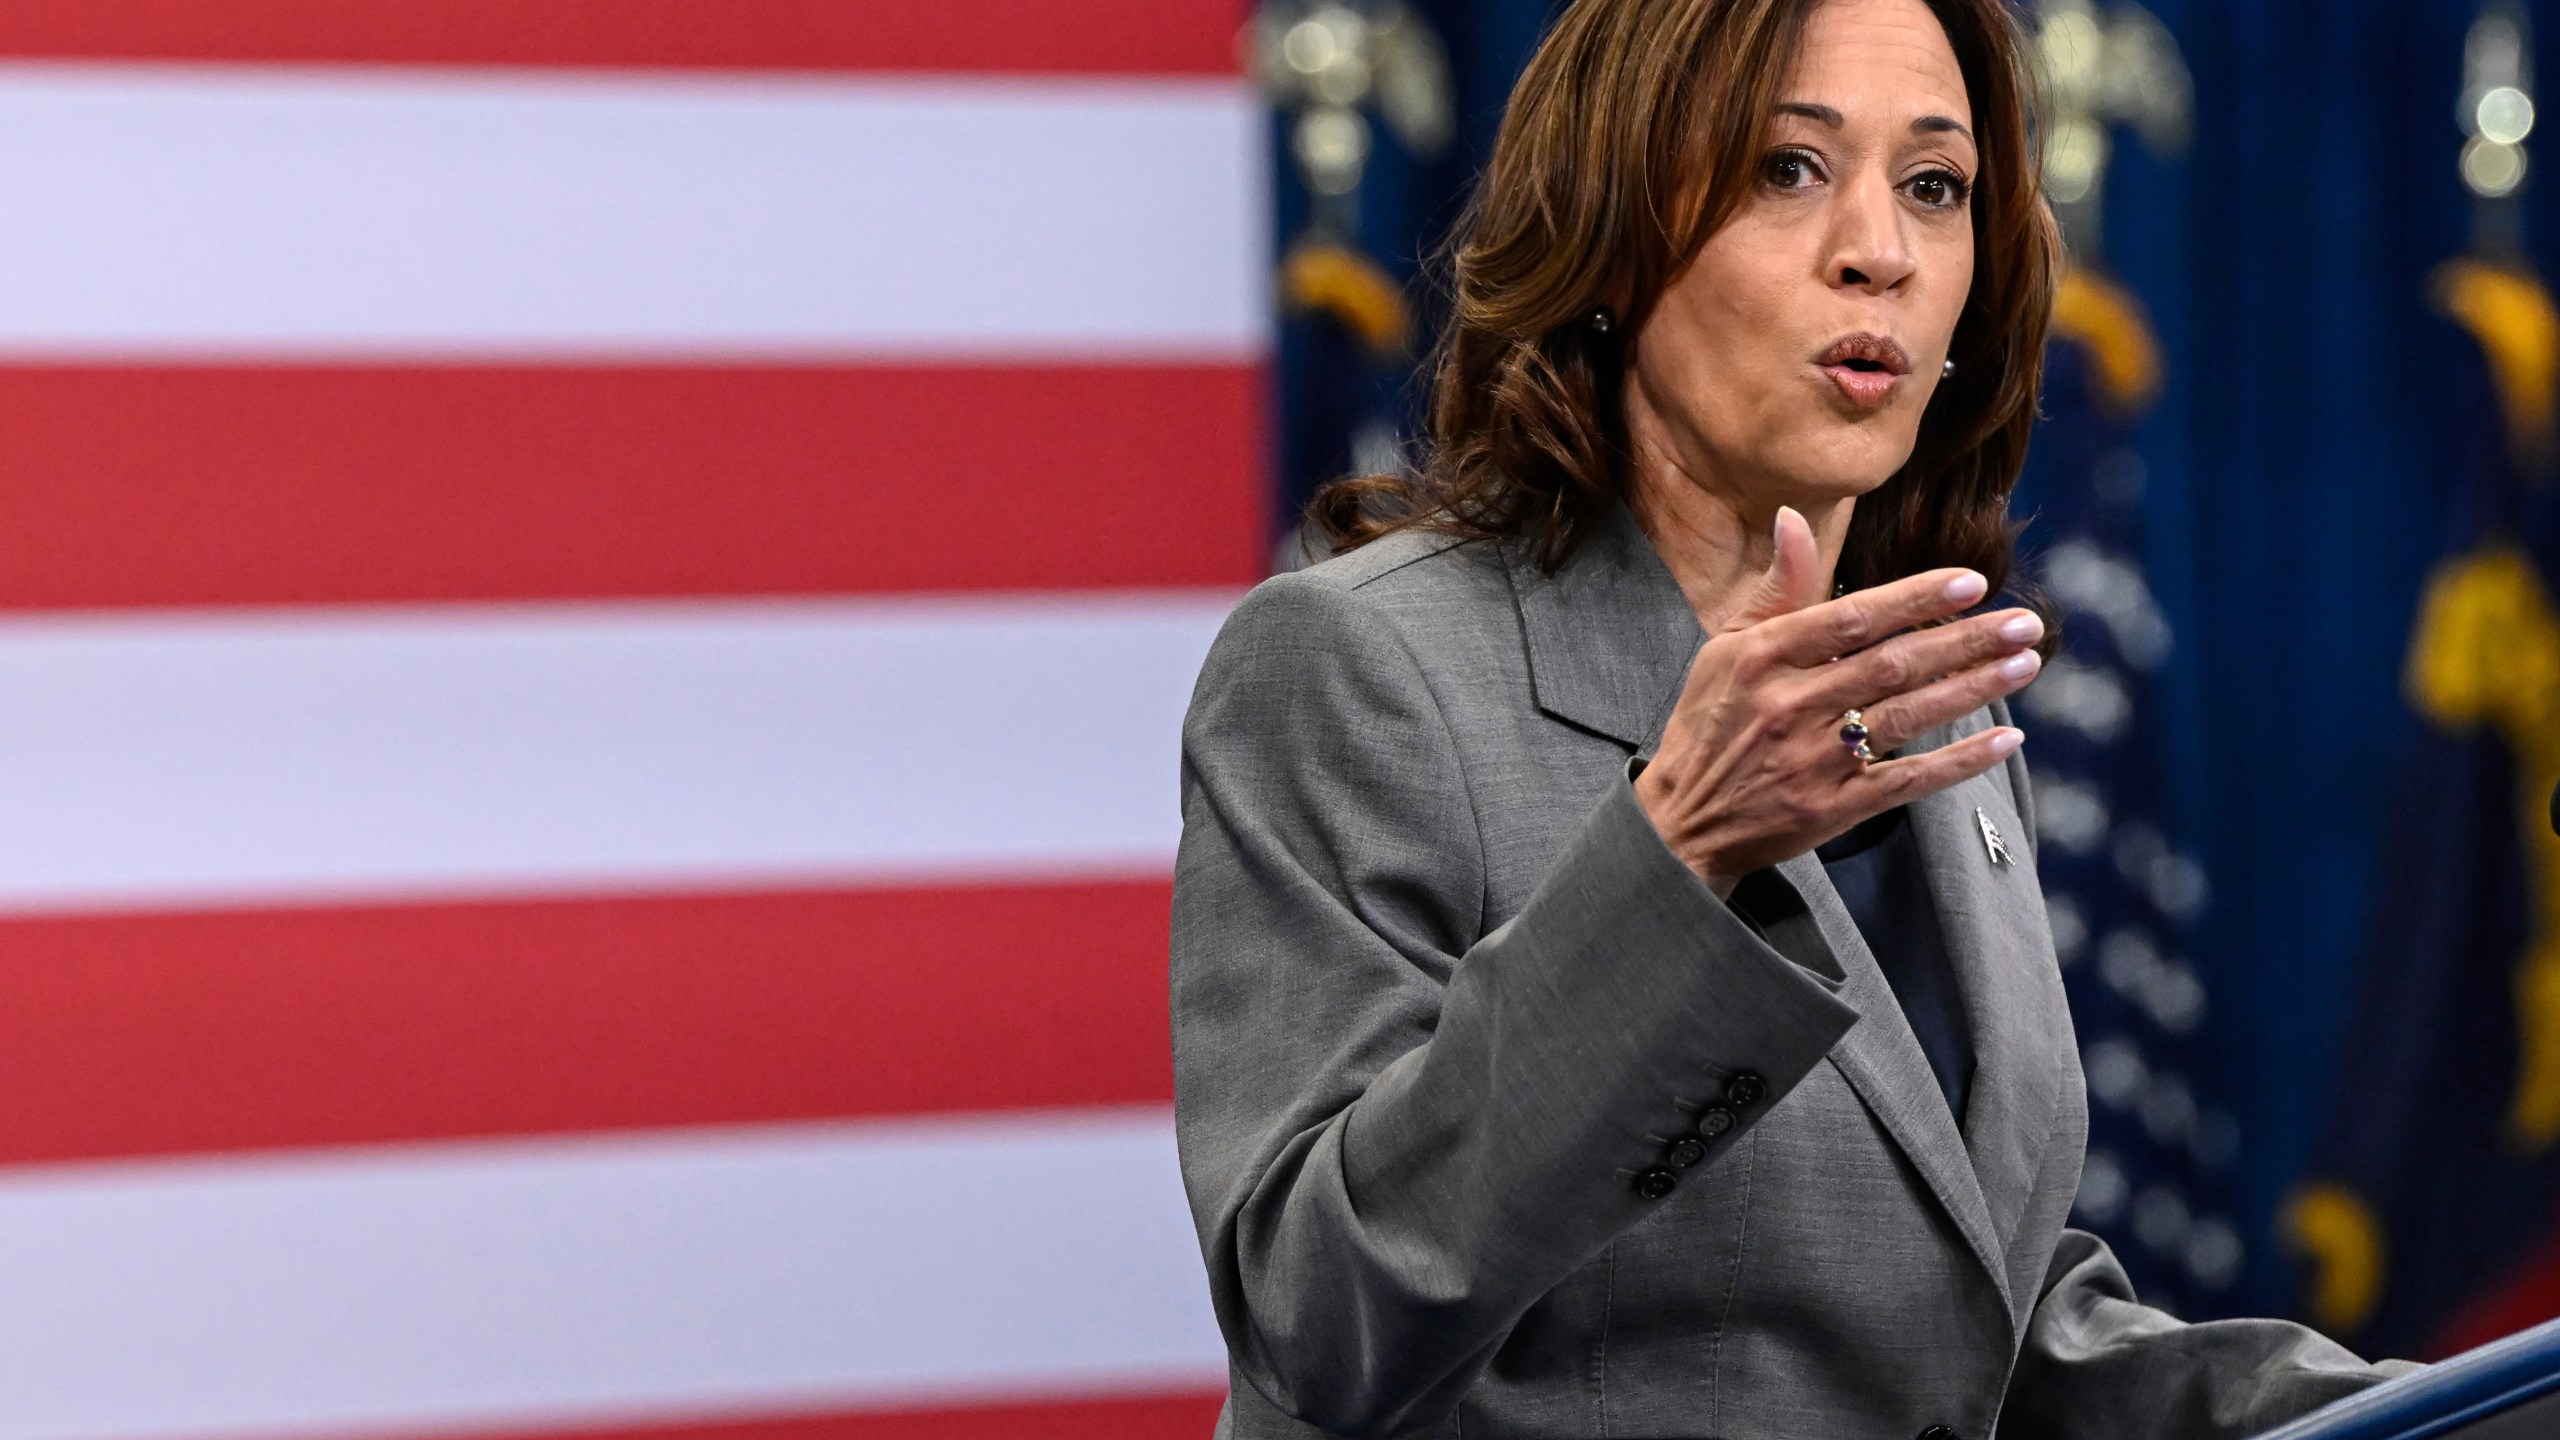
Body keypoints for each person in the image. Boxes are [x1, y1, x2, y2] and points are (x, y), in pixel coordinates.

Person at [1170, 0, 2417, 1436]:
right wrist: (1677, 853)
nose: (1878, 250)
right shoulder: (1357, 669)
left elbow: (1959, 1320)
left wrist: (2432, 1415)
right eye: (1789, 169)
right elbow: (1316, 1316)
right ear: (1612, 234)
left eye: (1935, 187)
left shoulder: (1912, 683)